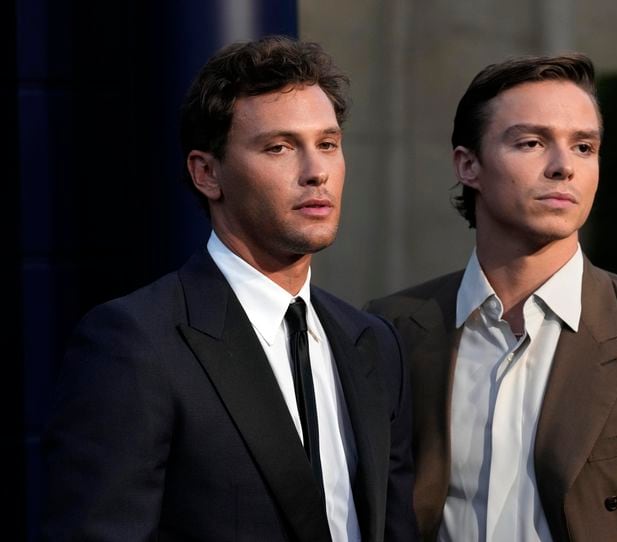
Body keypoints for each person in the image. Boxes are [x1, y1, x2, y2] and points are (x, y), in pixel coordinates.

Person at [366, 53, 617, 541]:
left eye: (583, 147)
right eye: (532, 143)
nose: (563, 168)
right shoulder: (391, 331)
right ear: (469, 165)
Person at [43, 36, 416, 542]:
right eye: (280, 147)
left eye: (327, 144)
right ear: (207, 173)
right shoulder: (134, 343)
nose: (316, 173)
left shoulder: (371, 341)